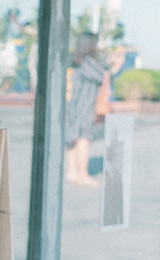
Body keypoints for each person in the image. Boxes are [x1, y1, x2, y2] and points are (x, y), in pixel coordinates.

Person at [64, 31, 108, 187]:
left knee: (71, 139)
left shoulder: (74, 61)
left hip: (71, 104)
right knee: (84, 138)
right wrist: (112, 64)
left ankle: (72, 172)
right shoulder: (87, 61)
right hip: (84, 105)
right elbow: (101, 75)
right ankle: (82, 174)